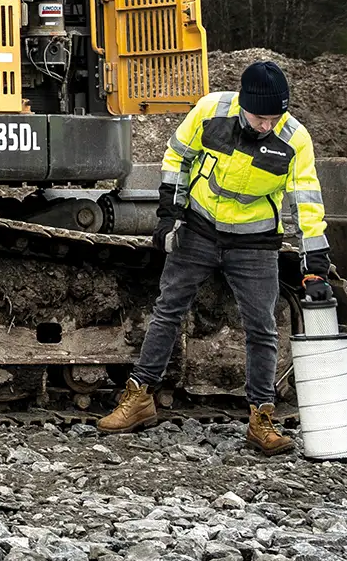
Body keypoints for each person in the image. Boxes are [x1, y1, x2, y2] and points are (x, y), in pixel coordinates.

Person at [97, 58, 330, 455]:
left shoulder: (294, 139)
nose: (267, 126)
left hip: (255, 242)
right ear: (242, 103)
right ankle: (139, 398)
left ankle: (260, 418)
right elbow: (176, 157)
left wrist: (315, 267)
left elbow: (306, 201)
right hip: (200, 229)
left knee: (262, 328)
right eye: (260, 117)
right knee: (169, 308)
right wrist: (170, 215)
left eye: (275, 117)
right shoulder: (211, 110)